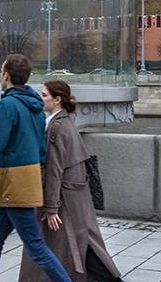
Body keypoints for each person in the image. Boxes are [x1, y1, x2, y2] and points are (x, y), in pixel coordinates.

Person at [0, 54, 71, 282]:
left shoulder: (7, 105)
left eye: (2, 73)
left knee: (36, 247)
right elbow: (41, 150)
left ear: (6, 76)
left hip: (14, 188)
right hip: (26, 184)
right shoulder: (36, 107)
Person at [18, 80, 122, 282]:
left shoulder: (56, 127)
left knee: (76, 245)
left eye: (44, 95)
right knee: (81, 243)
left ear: (57, 99)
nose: (40, 99)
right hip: (75, 194)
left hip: (65, 198)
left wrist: (51, 207)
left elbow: (54, 169)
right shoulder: (65, 121)